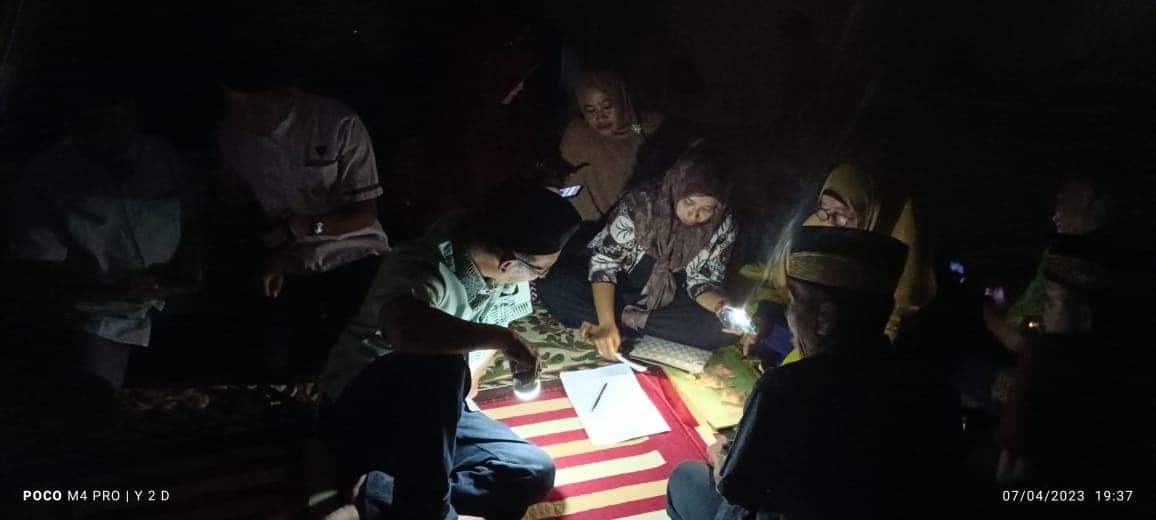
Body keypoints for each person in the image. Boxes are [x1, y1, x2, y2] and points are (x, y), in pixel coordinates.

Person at [318, 182, 580, 520]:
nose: (539, 279)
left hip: (434, 421)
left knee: (532, 470)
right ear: (507, 262)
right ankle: (429, 511)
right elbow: (405, 329)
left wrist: (467, 384)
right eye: (540, 271)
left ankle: (376, 490)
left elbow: (478, 354)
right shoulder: (421, 264)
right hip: (364, 410)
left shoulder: (507, 280)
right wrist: (505, 340)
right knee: (441, 363)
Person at [666, 226, 959, 520]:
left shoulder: (786, 387)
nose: (789, 316)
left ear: (825, 317)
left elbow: (737, 489)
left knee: (687, 477)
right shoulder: (935, 386)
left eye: (794, 303)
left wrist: (721, 459)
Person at [217, 65, 389, 380]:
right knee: (273, 357)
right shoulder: (232, 138)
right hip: (289, 261)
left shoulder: (336, 122)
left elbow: (365, 212)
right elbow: (241, 207)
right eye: (234, 107)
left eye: (250, 107)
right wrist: (273, 252)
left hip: (355, 253)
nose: (243, 117)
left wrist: (307, 227)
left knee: (361, 356)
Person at [537, 142, 741, 357]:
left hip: (664, 303)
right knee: (554, 285)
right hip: (618, 288)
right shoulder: (642, 204)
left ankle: (616, 324)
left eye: (706, 209)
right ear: (676, 187)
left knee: (716, 329)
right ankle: (614, 325)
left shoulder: (723, 225)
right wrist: (606, 322)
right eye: (689, 202)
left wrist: (721, 307)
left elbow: (701, 282)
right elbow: (605, 264)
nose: (694, 215)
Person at [743, 163, 936, 364]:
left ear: (870, 213)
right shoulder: (818, 226)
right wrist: (764, 316)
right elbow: (783, 285)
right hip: (799, 331)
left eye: (842, 215)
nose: (830, 223)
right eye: (825, 209)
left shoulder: (888, 262)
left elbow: (890, 328)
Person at [982, 173, 1113, 353]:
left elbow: (1029, 343)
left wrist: (984, 310)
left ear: (1084, 198)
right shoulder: (1065, 255)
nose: (1055, 216)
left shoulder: (1076, 260)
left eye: (1062, 202)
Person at [559, 70, 663, 222]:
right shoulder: (578, 137)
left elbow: (638, 129)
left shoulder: (640, 129)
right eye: (590, 111)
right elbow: (566, 186)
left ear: (622, 103)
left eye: (607, 107)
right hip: (591, 227)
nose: (600, 117)